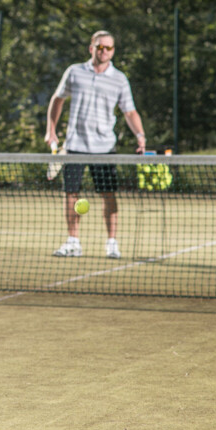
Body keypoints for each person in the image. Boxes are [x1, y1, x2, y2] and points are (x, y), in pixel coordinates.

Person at [45, 30, 146, 259]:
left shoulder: (119, 79)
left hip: (104, 147)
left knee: (108, 194)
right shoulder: (74, 72)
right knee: (71, 194)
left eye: (109, 48)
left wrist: (140, 136)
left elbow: (129, 111)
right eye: (100, 47)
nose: (104, 51)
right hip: (75, 145)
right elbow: (57, 99)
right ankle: (73, 242)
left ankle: (111, 243)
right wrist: (50, 130)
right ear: (91, 48)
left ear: (113, 51)